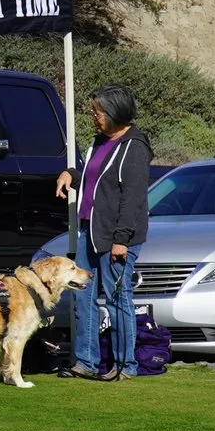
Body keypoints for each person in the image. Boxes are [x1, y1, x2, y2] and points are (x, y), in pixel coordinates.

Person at [54, 84, 150, 380]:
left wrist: (121, 240)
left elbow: (132, 198)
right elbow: (97, 180)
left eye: (99, 112)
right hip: (90, 231)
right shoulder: (99, 141)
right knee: (83, 296)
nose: (94, 117)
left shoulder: (134, 147)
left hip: (115, 237)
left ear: (116, 112)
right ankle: (86, 361)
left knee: (116, 298)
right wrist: (72, 173)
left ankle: (126, 366)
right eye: (94, 111)